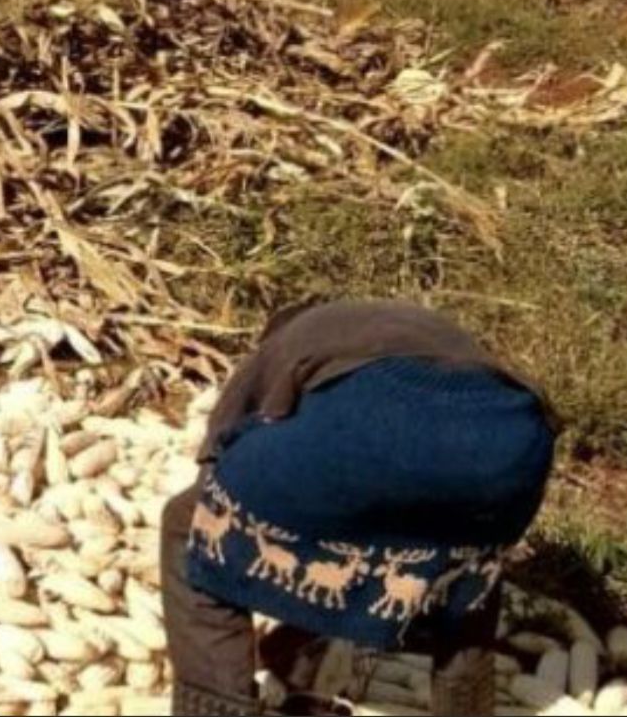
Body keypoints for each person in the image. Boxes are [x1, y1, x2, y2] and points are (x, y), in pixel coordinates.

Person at [161, 300, 556, 716]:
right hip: (513, 447)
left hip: (372, 424)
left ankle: (216, 708)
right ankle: (465, 707)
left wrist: (228, 519)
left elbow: (220, 446)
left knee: (187, 527)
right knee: (464, 573)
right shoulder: (411, 329)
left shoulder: (287, 341)